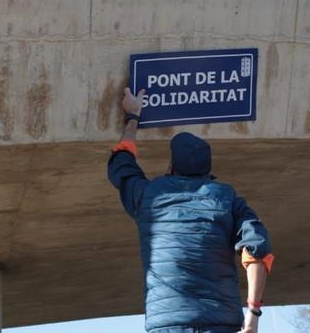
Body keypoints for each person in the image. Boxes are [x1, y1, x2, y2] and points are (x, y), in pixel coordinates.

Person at [108, 88, 273, 333]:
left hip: (167, 325)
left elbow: (121, 164)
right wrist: (253, 315)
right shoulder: (227, 198)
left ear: (171, 166)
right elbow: (257, 251)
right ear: (208, 170)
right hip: (223, 324)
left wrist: (133, 116)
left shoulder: (149, 196)